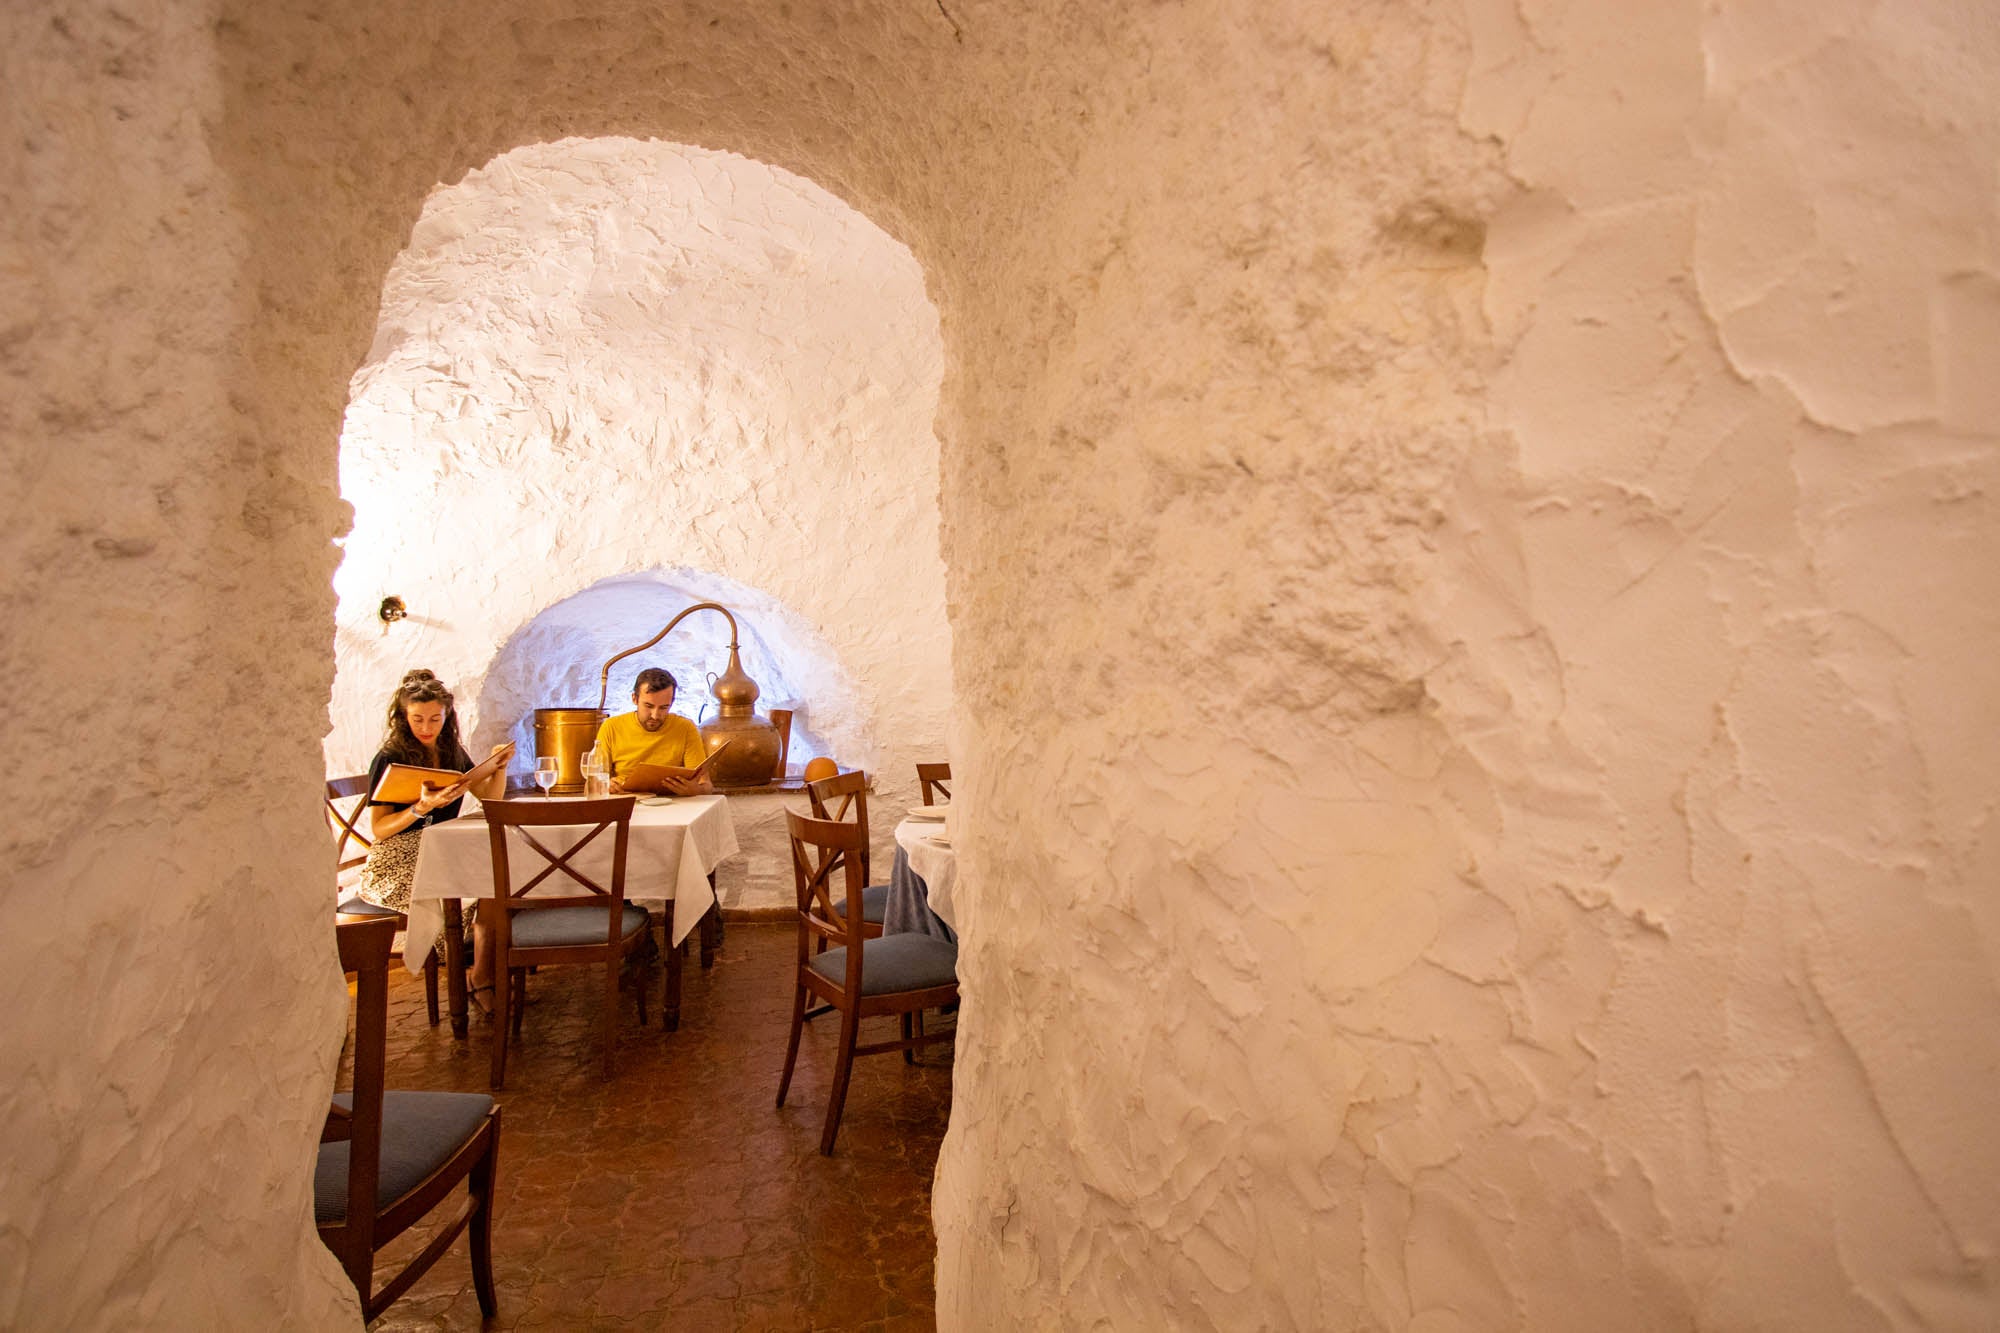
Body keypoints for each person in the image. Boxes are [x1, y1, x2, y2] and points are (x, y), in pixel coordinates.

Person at [356, 668, 513, 1010]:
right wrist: (419, 808)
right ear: (402, 717)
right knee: (472, 884)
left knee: (496, 878)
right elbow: (379, 830)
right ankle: (471, 976)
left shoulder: (451, 750)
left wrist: (498, 767)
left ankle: (480, 973)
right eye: (417, 720)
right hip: (395, 858)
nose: (427, 728)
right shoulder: (390, 757)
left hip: (442, 848)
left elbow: (492, 799)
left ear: (447, 716)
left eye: (435, 719)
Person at [592, 666, 715, 796]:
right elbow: (591, 785)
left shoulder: (686, 728)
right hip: (625, 803)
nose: (655, 715)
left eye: (663, 707)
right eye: (649, 706)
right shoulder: (611, 727)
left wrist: (696, 790)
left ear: (671, 703)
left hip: (673, 806)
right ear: (634, 699)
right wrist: (605, 786)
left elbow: (706, 785)